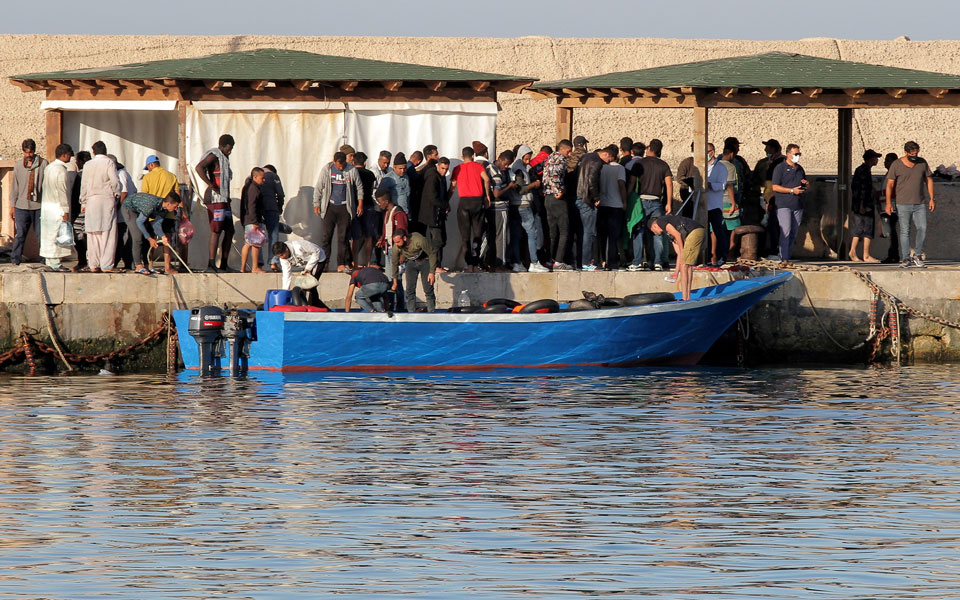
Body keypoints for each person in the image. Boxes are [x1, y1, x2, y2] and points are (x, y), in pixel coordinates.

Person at [885, 141, 934, 268]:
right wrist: (888, 203)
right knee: (904, 231)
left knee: (922, 228)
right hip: (903, 203)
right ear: (906, 152)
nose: (915, 156)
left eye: (916, 153)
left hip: (920, 203)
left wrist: (931, 198)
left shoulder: (922, 162)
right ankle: (906, 258)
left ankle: (917, 255)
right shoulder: (896, 165)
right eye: (912, 154)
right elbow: (889, 185)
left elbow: (928, 180)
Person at [313, 151, 363, 273]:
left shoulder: (351, 170)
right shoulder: (327, 169)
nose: (341, 168)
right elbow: (319, 186)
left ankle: (341, 263)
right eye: (338, 166)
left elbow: (359, 187)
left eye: (342, 166)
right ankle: (325, 263)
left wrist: (359, 204)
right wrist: (316, 203)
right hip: (329, 206)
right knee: (326, 236)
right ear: (334, 162)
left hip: (345, 207)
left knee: (343, 237)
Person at [195, 134, 235, 272]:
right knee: (216, 230)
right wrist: (211, 185)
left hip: (224, 199)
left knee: (230, 230)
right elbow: (199, 167)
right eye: (229, 148)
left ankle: (224, 264)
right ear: (222, 146)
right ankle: (211, 264)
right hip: (215, 199)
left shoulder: (225, 158)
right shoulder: (214, 155)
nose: (230, 151)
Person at [80, 141, 121, 272]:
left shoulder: (87, 165)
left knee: (93, 233)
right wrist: (117, 193)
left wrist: (83, 201)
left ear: (94, 152)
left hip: (91, 201)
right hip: (106, 199)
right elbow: (115, 181)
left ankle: (93, 264)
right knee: (108, 233)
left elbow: (84, 185)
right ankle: (106, 265)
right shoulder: (109, 162)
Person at [449, 146, 491, 272]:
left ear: (462, 157)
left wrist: (446, 201)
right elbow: (487, 179)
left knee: (465, 236)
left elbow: (452, 187)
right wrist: (487, 196)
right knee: (477, 234)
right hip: (477, 201)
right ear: (473, 156)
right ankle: (476, 262)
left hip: (464, 203)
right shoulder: (478, 166)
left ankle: (469, 266)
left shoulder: (457, 168)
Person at [574, 145, 615, 271]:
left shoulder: (586, 157)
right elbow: (592, 180)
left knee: (582, 232)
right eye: (609, 160)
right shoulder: (597, 162)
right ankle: (586, 262)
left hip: (578, 196)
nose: (607, 163)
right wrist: (596, 197)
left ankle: (581, 261)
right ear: (606, 154)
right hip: (587, 199)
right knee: (589, 232)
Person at [508, 145, 549, 272]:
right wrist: (534, 185)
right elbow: (521, 189)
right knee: (532, 234)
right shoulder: (519, 169)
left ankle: (517, 263)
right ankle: (534, 262)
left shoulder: (515, 167)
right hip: (523, 205)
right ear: (521, 156)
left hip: (515, 205)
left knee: (516, 235)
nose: (527, 161)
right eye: (526, 159)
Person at [121, 191, 181, 275]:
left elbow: (157, 224)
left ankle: (147, 265)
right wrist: (149, 239)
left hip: (141, 211)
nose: (176, 209)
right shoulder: (151, 205)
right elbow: (139, 222)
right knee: (138, 236)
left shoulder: (165, 210)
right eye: (175, 206)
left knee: (148, 233)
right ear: (168, 204)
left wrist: (163, 236)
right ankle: (138, 265)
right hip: (129, 209)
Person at [10, 138, 48, 266]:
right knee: (20, 234)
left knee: (41, 235)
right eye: (26, 153)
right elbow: (15, 187)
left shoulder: (43, 164)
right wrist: (12, 206)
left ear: (34, 151)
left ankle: (44, 259)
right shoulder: (18, 166)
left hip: (39, 206)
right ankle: (15, 259)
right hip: (21, 206)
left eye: (30, 153)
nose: (28, 155)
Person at [649, 215, 705, 301]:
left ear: (654, 226)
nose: (654, 233)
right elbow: (679, 254)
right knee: (687, 265)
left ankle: (685, 298)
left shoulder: (660, 221)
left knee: (685, 265)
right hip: (697, 231)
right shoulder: (668, 233)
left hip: (695, 231)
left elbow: (678, 235)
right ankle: (687, 297)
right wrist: (676, 272)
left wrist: (682, 251)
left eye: (652, 231)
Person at [638, 139, 674, 271]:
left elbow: (631, 182)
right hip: (657, 202)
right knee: (657, 232)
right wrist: (669, 203)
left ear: (648, 148)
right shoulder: (663, 165)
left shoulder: (640, 163)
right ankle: (658, 261)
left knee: (641, 231)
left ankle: (642, 261)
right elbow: (669, 184)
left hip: (641, 201)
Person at [140, 154, 180, 273]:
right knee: (167, 239)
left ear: (151, 165)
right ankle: (168, 267)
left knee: (151, 239)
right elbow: (177, 196)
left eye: (148, 167)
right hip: (168, 212)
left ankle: (150, 265)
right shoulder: (172, 176)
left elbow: (144, 196)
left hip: (152, 213)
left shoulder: (147, 177)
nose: (149, 170)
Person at [38, 144, 75, 271]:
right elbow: (62, 191)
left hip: (47, 207)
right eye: (69, 155)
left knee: (49, 235)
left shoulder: (49, 168)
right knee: (57, 235)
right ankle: (55, 263)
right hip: (57, 208)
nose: (70, 157)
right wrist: (65, 210)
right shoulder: (60, 170)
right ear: (64, 155)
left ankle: (50, 262)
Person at [770, 144, 808, 262]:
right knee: (785, 231)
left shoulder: (800, 168)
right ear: (788, 154)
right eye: (795, 154)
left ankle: (788, 255)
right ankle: (783, 257)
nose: (797, 156)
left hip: (798, 205)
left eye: (799, 154)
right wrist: (792, 190)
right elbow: (775, 187)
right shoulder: (780, 168)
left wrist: (806, 185)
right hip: (783, 205)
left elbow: (804, 184)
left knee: (793, 232)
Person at [376, 187, 409, 311]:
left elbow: (402, 232)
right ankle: (391, 305)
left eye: (380, 202)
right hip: (388, 249)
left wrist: (402, 253)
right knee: (390, 279)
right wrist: (382, 239)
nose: (379, 205)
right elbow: (388, 231)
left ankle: (399, 306)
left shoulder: (398, 213)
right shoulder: (387, 213)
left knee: (397, 279)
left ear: (385, 201)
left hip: (396, 251)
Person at [389, 228, 437, 313]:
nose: (396, 244)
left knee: (428, 289)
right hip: (410, 263)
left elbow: (432, 253)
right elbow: (394, 264)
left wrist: (432, 272)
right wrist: (395, 282)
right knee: (410, 290)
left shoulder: (419, 240)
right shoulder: (396, 247)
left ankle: (431, 312)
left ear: (404, 238)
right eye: (395, 242)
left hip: (424, 261)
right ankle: (411, 313)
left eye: (398, 242)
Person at [542, 140, 573, 270]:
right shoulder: (561, 159)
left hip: (547, 198)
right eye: (568, 151)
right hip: (557, 199)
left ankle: (549, 259)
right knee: (564, 231)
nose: (570, 154)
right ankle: (559, 261)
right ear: (562, 149)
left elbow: (546, 174)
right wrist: (559, 190)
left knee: (552, 232)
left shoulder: (549, 158)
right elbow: (556, 174)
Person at [849, 149, 883, 263]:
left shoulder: (862, 170)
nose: (877, 160)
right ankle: (865, 255)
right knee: (867, 229)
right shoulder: (864, 171)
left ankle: (854, 251)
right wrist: (862, 205)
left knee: (859, 229)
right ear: (870, 159)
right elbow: (862, 189)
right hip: (864, 205)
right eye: (875, 158)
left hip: (861, 204)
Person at [597, 146, 627, 270]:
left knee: (602, 235)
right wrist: (625, 201)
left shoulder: (601, 167)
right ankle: (612, 262)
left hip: (602, 205)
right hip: (616, 205)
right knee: (613, 236)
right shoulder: (620, 168)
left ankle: (601, 260)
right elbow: (621, 184)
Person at [485, 150, 515, 271]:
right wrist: (509, 186)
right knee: (501, 236)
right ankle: (499, 264)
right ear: (500, 158)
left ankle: (488, 262)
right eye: (506, 163)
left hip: (490, 207)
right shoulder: (496, 172)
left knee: (491, 236)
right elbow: (497, 193)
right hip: (499, 207)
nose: (506, 167)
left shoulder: (488, 167)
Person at [272, 239, 326, 306]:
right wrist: (285, 291)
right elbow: (286, 274)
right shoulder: (283, 259)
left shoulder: (298, 245)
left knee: (309, 286)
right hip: (306, 264)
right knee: (308, 287)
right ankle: (320, 308)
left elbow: (316, 251)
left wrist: (308, 268)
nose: (282, 257)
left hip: (318, 260)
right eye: (279, 256)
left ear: (286, 249)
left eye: (282, 255)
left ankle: (310, 307)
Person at [419, 154, 449, 270]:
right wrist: (445, 205)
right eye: (442, 168)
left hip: (438, 214)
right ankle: (434, 266)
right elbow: (432, 198)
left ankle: (437, 265)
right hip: (432, 214)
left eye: (446, 169)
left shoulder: (440, 178)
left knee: (442, 240)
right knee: (437, 241)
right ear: (438, 166)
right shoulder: (432, 177)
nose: (444, 171)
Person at [755, 139, 785, 257]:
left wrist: (769, 200)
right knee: (764, 224)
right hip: (764, 197)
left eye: (768, 147)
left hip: (773, 199)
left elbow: (773, 184)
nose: (765, 150)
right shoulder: (763, 162)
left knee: (772, 225)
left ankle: (774, 250)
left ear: (774, 149)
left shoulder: (780, 162)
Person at [703, 143, 730, 266]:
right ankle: (707, 256)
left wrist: (710, 185)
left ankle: (722, 256)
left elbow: (722, 185)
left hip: (714, 204)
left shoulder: (720, 168)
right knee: (704, 232)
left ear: (712, 152)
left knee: (718, 230)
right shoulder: (700, 166)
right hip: (702, 205)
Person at [350, 153, 378, 269]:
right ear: (365, 162)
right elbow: (371, 190)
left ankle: (354, 262)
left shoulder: (351, 173)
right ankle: (368, 263)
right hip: (368, 205)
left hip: (354, 206)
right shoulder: (370, 174)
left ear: (353, 162)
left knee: (355, 236)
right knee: (369, 236)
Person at [112, 156, 137, 271]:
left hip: (124, 213)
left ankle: (125, 262)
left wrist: (116, 208)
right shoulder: (123, 173)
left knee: (123, 238)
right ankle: (124, 261)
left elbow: (124, 193)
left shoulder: (121, 174)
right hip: (125, 212)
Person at [239, 167, 265, 273]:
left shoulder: (248, 187)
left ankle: (243, 268)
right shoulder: (253, 188)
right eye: (262, 178)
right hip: (252, 220)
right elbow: (251, 205)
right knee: (255, 244)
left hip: (247, 219)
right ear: (255, 177)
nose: (264, 180)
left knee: (248, 243)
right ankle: (255, 267)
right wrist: (255, 221)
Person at [260, 164, 285, 271]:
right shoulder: (274, 176)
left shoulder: (252, 175)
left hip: (256, 208)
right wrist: (279, 207)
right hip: (271, 206)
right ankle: (273, 262)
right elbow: (280, 194)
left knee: (257, 237)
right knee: (273, 234)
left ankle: (258, 263)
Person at [69, 151, 91, 272]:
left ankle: (83, 261)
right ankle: (84, 261)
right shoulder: (93, 174)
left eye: (77, 161)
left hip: (81, 211)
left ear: (82, 162)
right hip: (91, 210)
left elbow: (75, 195)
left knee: (80, 236)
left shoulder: (80, 176)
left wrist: (72, 213)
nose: (76, 163)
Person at [880, 152, 901, 264]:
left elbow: (894, 191)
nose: (885, 162)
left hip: (891, 208)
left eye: (887, 160)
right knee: (889, 232)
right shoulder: (889, 174)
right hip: (884, 207)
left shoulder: (895, 175)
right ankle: (892, 254)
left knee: (890, 232)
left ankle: (893, 255)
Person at [675, 142, 701, 218]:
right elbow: (679, 178)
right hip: (688, 194)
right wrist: (690, 183)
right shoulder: (686, 162)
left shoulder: (704, 162)